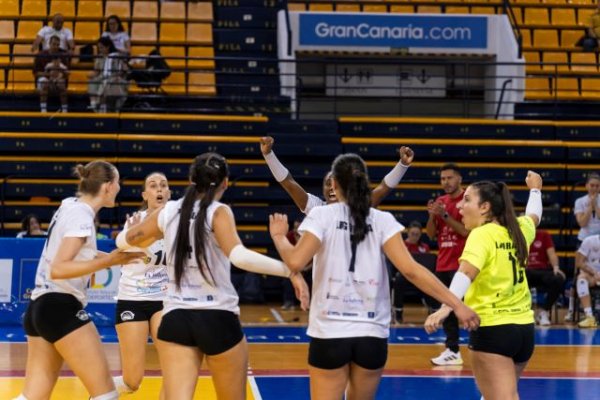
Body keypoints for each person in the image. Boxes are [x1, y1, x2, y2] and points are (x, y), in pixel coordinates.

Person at [269, 153, 479, 400]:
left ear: (335, 184)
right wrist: (457, 305)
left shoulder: (321, 215)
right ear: (364, 182)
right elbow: (412, 271)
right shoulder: (381, 219)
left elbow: (295, 261)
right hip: (371, 334)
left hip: (329, 331)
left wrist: (280, 237)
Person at [114, 152, 309, 399]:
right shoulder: (218, 211)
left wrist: (125, 236)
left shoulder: (169, 211)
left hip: (176, 318)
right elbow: (239, 256)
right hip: (216, 316)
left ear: (191, 180)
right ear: (226, 182)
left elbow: (125, 239)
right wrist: (289, 271)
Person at [14, 161, 143, 400]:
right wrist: (109, 261)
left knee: (33, 397)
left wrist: (118, 259)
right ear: (107, 186)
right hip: (60, 306)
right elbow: (60, 268)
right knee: (105, 395)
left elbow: (78, 253)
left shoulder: (69, 205)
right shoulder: (82, 216)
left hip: (39, 308)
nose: (118, 188)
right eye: (117, 183)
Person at [425, 171, 543, 400]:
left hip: (492, 330)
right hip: (524, 331)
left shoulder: (481, 234)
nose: (460, 206)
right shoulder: (519, 229)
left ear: (485, 207)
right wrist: (536, 189)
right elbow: (534, 215)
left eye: (467, 199)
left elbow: (465, 273)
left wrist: (446, 308)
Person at [113, 172, 170, 395]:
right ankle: (100, 393)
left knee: (174, 368)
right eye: (153, 186)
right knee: (132, 381)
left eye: (163, 186)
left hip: (165, 300)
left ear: (169, 193)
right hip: (133, 298)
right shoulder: (134, 221)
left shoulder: (179, 222)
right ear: (145, 195)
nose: (159, 189)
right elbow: (125, 252)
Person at [260, 136, 414, 215]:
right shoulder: (317, 208)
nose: (332, 187)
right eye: (328, 183)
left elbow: (383, 189)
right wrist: (268, 155)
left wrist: (403, 165)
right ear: (323, 189)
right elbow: (288, 182)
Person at [425, 163, 469, 366]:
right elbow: (431, 234)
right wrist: (434, 215)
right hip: (443, 262)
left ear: (459, 179)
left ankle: (485, 346)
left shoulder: (468, 200)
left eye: (449, 178)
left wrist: (444, 215)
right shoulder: (440, 201)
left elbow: (465, 231)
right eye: (442, 179)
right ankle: (452, 350)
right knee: (447, 309)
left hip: (463, 264)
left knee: (471, 306)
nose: (446, 182)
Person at [565, 172, 600, 321]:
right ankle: (571, 309)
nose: (594, 188)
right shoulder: (580, 201)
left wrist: (595, 206)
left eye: (597, 186)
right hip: (584, 240)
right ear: (586, 186)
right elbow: (582, 223)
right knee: (578, 273)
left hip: (598, 239)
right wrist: (589, 207)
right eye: (592, 185)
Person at [392, 220, 432, 322]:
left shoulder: (424, 247)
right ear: (408, 232)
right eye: (412, 234)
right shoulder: (401, 245)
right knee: (399, 280)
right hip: (405, 275)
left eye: (417, 234)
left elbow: (428, 264)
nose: (414, 236)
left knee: (431, 279)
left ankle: (433, 309)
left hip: (420, 277)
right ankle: (398, 312)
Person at [526, 229, 565, 326]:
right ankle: (525, 314)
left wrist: (556, 267)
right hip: (526, 271)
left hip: (543, 271)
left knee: (558, 279)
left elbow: (551, 254)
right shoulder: (518, 234)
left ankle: (544, 311)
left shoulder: (543, 235)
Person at [88, 37, 129, 113]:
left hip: (115, 78)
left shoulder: (117, 56)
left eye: (102, 48)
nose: (100, 50)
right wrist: (91, 75)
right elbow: (96, 72)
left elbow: (125, 70)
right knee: (93, 81)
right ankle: (95, 104)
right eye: (99, 48)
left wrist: (117, 74)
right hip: (103, 77)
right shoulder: (99, 57)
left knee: (110, 83)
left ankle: (105, 107)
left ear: (108, 47)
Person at [33, 35, 70, 113]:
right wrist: (49, 75)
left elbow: (67, 73)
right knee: (45, 83)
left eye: (57, 44)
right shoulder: (40, 55)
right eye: (54, 44)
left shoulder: (62, 56)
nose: (56, 46)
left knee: (62, 84)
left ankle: (65, 110)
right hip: (44, 77)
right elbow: (36, 73)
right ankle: (43, 110)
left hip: (58, 78)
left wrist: (60, 75)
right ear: (49, 44)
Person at [573, 233, 600, 328]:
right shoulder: (590, 241)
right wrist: (593, 273)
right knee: (581, 280)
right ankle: (589, 317)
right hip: (590, 275)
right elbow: (579, 263)